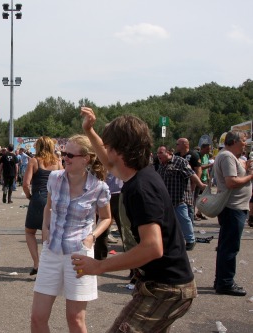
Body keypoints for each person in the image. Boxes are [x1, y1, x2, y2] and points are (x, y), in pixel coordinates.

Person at [74, 107, 197, 332]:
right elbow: (108, 161)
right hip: (163, 284)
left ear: (119, 150)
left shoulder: (141, 188)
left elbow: (152, 247)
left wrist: (98, 266)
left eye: (108, 145)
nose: (105, 149)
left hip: (167, 288)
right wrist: (89, 130)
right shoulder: (137, 174)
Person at [30, 134, 112, 333]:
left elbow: (107, 217)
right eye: (63, 153)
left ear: (86, 158)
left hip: (79, 255)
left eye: (69, 155)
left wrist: (92, 237)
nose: (64, 157)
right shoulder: (54, 178)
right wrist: (45, 229)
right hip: (52, 252)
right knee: (37, 318)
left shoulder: (98, 187)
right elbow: (48, 207)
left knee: (75, 320)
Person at [213, 131, 251, 296]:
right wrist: (250, 175)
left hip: (233, 208)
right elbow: (231, 182)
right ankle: (225, 283)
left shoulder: (227, 155)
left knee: (225, 246)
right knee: (229, 247)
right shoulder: (227, 156)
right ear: (234, 141)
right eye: (243, 140)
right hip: (233, 208)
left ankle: (221, 280)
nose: (245, 143)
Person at [22, 136, 62, 276]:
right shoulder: (58, 162)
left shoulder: (34, 161)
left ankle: (37, 263)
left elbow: (26, 184)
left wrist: (30, 197)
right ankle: (50, 264)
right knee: (50, 232)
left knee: (30, 231)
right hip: (54, 199)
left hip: (38, 197)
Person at [156, 145, 206, 251]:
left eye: (161, 153)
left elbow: (192, 174)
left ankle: (190, 240)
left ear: (169, 153)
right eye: (158, 153)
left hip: (179, 199)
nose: (158, 155)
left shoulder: (180, 162)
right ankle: (170, 241)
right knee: (167, 222)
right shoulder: (161, 165)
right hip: (165, 200)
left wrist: (200, 185)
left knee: (184, 220)